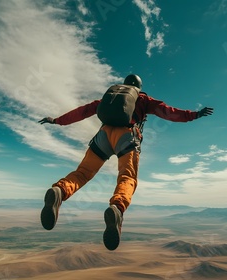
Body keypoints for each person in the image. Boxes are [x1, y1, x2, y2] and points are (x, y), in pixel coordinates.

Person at [38, 74, 213, 250]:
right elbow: (168, 112)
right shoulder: (143, 99)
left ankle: (59, 191)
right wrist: (194, 115)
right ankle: (117, 208)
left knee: (83, 173)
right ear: (139, 86)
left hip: (104, 135)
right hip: (127, 136)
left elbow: (84, 111)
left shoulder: (110, 97)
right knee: (127, 177)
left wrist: (57, 121)